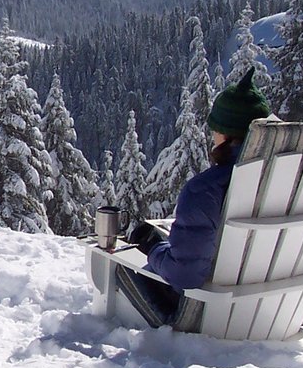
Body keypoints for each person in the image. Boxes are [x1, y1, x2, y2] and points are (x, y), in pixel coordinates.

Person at [114, 67, 271, 329]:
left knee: (119, 266)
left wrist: (153, 249)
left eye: (215, 130)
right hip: (270, 314)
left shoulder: (206, 190)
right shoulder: (288, 183)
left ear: (226, 134)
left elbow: (184, 275)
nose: (211, 136)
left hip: (207, 318)